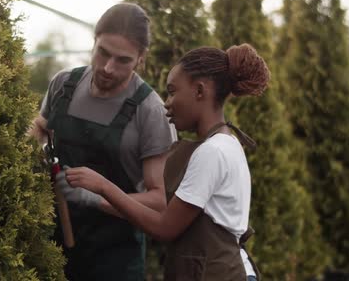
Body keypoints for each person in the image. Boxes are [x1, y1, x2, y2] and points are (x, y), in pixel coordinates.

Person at [63, 44, 269, 281]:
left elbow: (165, 227)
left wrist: (103, 186)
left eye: (172, 91)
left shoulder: (212, 152)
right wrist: (94, 199)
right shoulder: (227, 143)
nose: (166, 103)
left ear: (200, 91)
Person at [28, 2, 176, 281]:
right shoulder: (63, 85)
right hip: (53, 249)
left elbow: (159, 203)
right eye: (103, 53)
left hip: (114, 261)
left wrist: (94, 198)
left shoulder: (150, 112)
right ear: (94, 42)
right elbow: (41, 128)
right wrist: (32, 148)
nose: (108, 68)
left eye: (123, 60)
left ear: (141, 58)